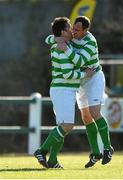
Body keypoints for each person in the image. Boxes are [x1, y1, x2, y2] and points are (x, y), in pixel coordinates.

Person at [47, 16, 114, 168]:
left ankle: (107, 148)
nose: (73, 31)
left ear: (86, 30)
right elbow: (48, 39)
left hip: (94, 77)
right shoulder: (72, 37)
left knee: (94, 112)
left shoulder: (90, 42)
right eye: (73, 28)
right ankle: (96, 152)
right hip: (81, 79)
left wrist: (65, 48)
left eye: (77, 30)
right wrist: (55, 40)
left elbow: (80, 61)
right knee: (85, 117)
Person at [34, 17, 94, 169]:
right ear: (62, 32)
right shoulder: (60, 48)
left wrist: (56, 38)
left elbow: (49, 38)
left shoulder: (64, 44)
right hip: (62, 89)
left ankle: (53, 160)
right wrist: (85, 75)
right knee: (67, 125)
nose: (71, 31)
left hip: (66, 89)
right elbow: (68, 74)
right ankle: (41, 150)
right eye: (68, 28)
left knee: (62, 127)